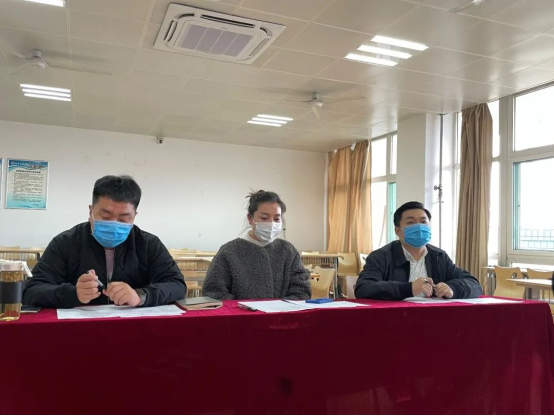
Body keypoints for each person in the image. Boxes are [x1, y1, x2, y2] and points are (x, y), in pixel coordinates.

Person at [23, 175, 186, 308]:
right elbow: (31, 290)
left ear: (134, 216)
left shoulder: (148, 244)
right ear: (90, 211)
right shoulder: (66, 242)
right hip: (78, 329)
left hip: (134, 327)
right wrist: (73, 293)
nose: (113, 224)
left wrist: (140, 296)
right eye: (106, 216)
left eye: (123, 219)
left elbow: (176, 285)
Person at [356, 201, 483, 301]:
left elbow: (474, 284)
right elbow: (363, 288)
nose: (419, 227)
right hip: (393, 318)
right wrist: (409, 288)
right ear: (398, 230)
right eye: (411, 222)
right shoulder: (381, 256)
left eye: (423, 222)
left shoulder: (439, 256)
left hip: (433, 317)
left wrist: (453, 289)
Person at [203, 190, 311, 300]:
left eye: (277, 219)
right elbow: (214, 292)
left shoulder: (288, 251)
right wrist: (241, 308)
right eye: (264, 218)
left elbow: (301, 290)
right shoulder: (229, 251)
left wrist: (282, 307)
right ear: (250, 219)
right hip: (239, 311)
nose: (271, 223)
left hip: (283, 311)